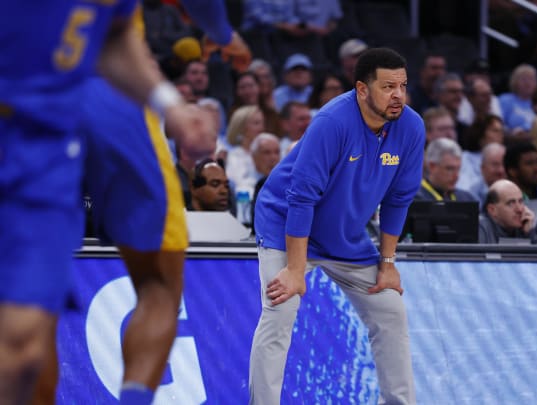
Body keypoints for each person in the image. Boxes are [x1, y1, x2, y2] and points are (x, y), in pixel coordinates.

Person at [0, 0, 222, 403]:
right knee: (158, 282)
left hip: (48, 139)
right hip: (55, 117)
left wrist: (168, 105)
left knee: (22, 350)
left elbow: (114, 33)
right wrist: (223, 33)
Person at [249, 48, 423, 404]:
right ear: (362, 89)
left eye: (403, 86)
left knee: (390, 310)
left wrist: (387, 264)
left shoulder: (411, 127)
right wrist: (295, 270)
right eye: (388, 86)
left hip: (344, 236)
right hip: (287, 224)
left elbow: (399, 199)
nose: (398, 96)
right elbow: (301, 197)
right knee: (280, 310)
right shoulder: (332, 122)